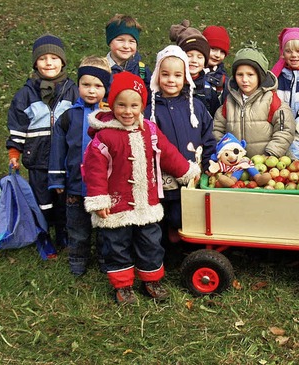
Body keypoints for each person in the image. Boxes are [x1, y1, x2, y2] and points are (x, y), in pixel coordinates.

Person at [83, 71, 201, 304]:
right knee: (117, 245)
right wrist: (99, 200)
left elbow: (167, 154)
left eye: (134, 105)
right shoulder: (104, 137)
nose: (128, 112)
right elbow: (94, 171)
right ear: (111, 104)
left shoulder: (150, 131)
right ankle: (123, 285)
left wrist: (186, 171)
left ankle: (152, 279)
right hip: (117, 205)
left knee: (150, 242)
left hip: (146, 203)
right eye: (122, 105)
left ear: (142, 106)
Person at [6, 34, 79, 249]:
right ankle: (43, 233)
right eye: (43, 58)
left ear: (63, 62)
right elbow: (17, 128)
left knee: (64, 199)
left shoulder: (73, 91)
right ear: (35, 63)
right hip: (37, 158)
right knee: (42, 200)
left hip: (64, 158)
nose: (49, 63)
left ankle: (63, 231)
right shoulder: (25, 95)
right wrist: (14, 154)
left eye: (54, 58)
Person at [144, 45, 215, 245]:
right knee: (161, 216)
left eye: (177, 75)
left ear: (185, 77)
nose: (171, 80)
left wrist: (209, 161)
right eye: (165, 74)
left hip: (191, 174)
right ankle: (162, 249)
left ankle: (185, 246)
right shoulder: (150, 109)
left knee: (183, 215)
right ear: (157, 76)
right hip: (161, 177)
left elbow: (208, 136)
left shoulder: (196, 107)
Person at [48, 56, 111, 276]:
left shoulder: (110, 118)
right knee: (77, 227)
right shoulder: (68, 117)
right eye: (86, 84)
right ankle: (77, 259)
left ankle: (106, 259)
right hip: (75, 185)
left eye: (98, 86)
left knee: (105, 226)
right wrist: (56, 179)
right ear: (78, 85)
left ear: (107, 88)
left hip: (104, 187)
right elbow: (57, 150)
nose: (91, 90)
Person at [213, 41, 295, 157]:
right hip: (236, 164)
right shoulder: (229, 102)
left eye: (250, 75)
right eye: (240, 75)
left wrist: (270, 153)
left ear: (260, 76)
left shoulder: (271, 101)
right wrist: (225, 151)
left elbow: (285, 129)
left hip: (267, 165)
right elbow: (217, 130)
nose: (244, 80)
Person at [169, 20, 221, 117]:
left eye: (199, 57)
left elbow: (216, 119)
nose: (194, 60)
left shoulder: (208, 90)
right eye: (189, 55)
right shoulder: (170, 85)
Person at [270, 27, 299, 117]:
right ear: (283, 53)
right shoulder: (276, 78)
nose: (294, 55)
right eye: (288, 51)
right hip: (280, 128)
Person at [105, 14, 152, 88]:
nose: (126, 46)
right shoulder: (101, 68)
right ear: (110, 42)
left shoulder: (142, 71)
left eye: (131, 41)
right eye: (120, 40)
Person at [202, 25, 230, 101]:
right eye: (213, 49)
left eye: (222, 52)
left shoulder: (224, 79)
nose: (217, 55)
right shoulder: (192, 73)